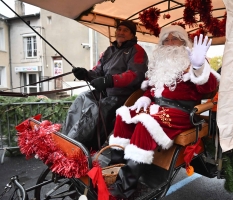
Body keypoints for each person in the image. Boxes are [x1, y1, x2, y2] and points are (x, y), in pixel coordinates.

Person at [108, 25, 220, 198]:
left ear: (183, 42)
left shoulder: (192, 61)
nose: (169, 43)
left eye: (174, 38)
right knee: (123, 115)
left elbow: (210, 85)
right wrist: (145, 97)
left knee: (146, 124)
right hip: (156, 106)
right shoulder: (159, 64)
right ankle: (113, 172)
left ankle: (126, 187)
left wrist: (199, 66)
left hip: (182, 112)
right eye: (166, 40)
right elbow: (152, 89)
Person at [63, 20, 148, 150]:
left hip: (124, 96)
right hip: (106, 93)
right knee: (82, 98)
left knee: (97, 109)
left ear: (132, 34)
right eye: (119, 29)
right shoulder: (110, 50)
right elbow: (97, 72)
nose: (121, 32)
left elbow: (135, 75)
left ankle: (77, 147)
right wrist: (85, 74)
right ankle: (65, 138)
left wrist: (110, 80)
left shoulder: (137, 50)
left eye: (125, 30)